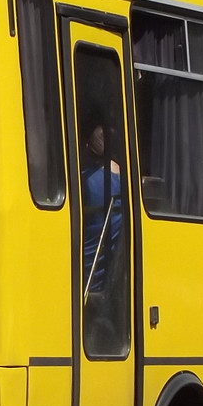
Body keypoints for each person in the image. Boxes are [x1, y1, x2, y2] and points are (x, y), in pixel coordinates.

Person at [81, 123, 122, 297]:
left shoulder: (83, 182)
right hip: (110, 275)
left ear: (87, 148)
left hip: (84, 274)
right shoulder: (128, 184)